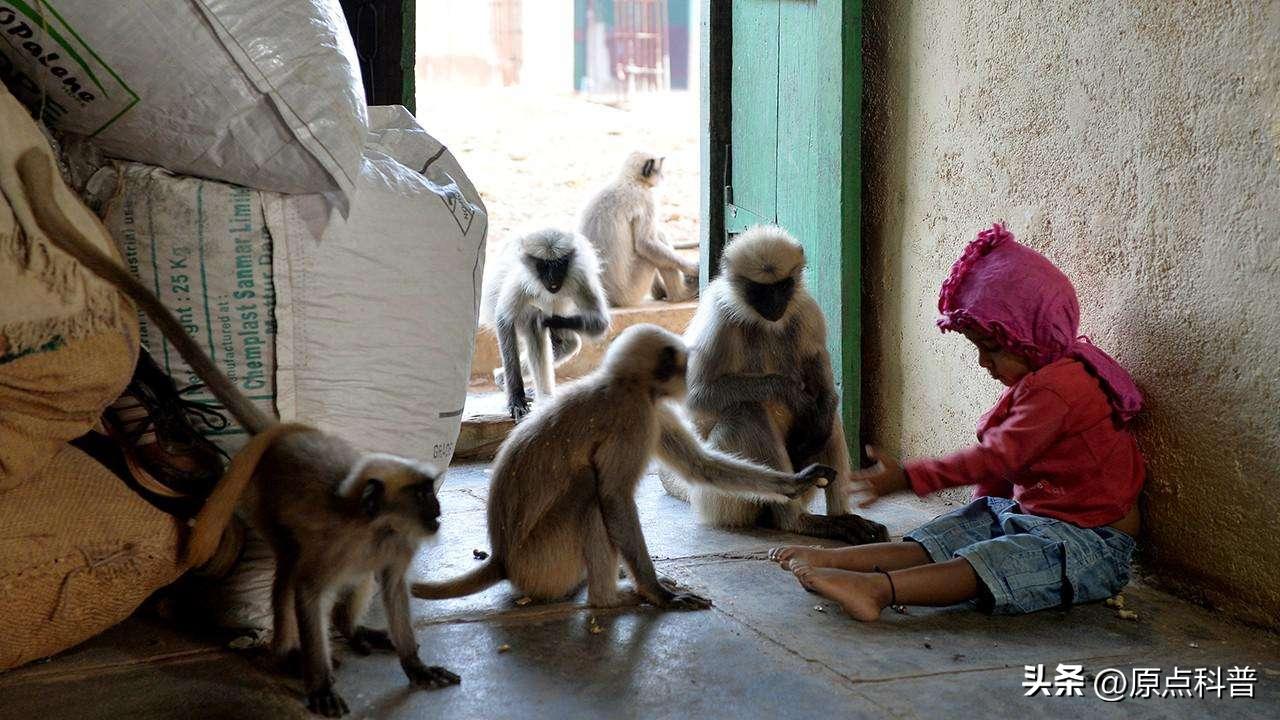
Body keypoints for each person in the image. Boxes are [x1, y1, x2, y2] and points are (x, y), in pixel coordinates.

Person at [769, 222, 1145, 621]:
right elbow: (1005, 472)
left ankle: (878, 589)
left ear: (1033, 335)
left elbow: (996, 458)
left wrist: (910, 478)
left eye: (993, 348)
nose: (985, 362)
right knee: (958, 528)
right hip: (1033, 517)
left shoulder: (1060, 389)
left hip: (1091, 544)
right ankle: (844, 563)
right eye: (979, 348)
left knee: (994, 559)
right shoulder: (1044, 377)